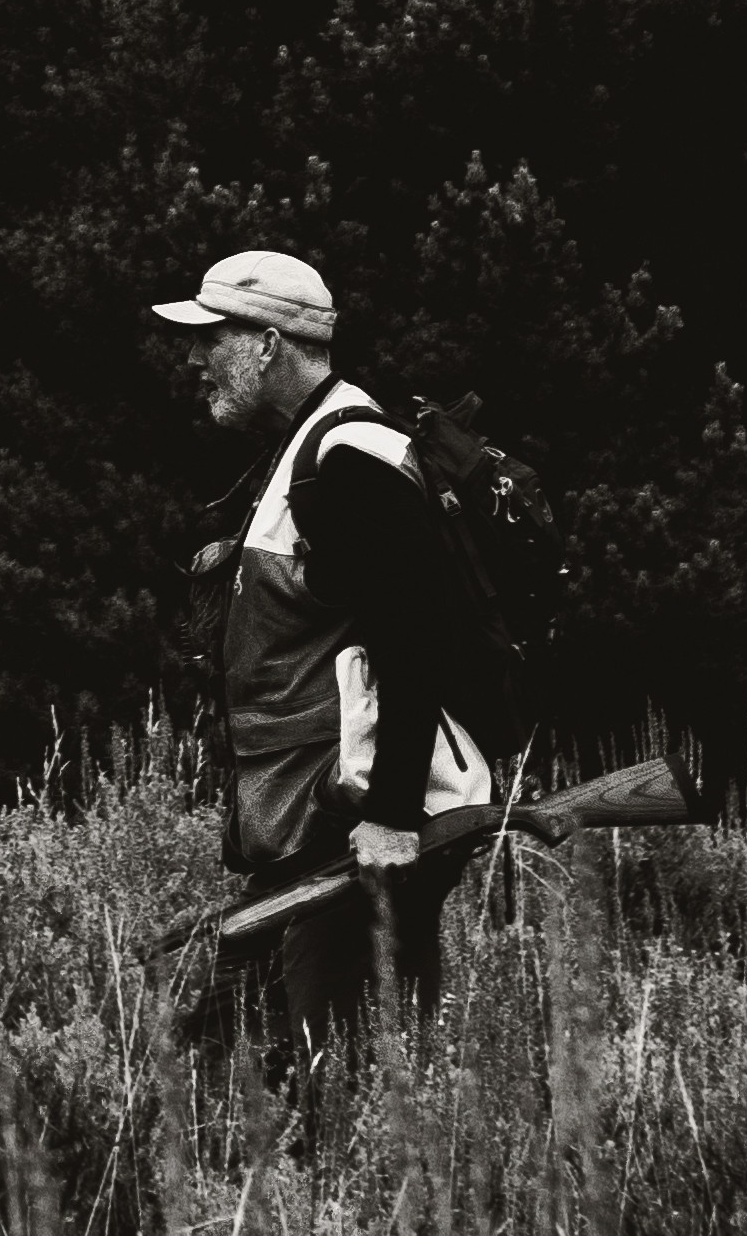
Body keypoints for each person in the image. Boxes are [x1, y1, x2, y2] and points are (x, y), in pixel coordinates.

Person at [153, 236, 502, 1065]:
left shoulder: (349, 460)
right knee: (224, 1051)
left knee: (331, 1073)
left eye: (212, 336)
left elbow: (419, 639)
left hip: (352, 836)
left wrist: (389, 820)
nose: (196, 357)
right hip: (308, 839)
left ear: (269, 344)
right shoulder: (308, 449)